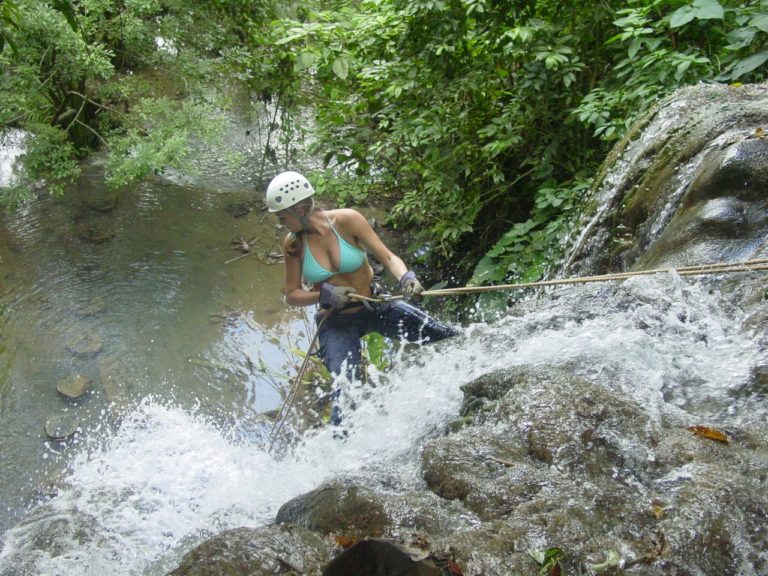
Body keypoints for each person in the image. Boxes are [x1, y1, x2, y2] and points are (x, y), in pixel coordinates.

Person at [266, 171, 458, 424]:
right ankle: (343, 452)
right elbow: (292, 294)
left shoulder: (347, 220)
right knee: (346, 396)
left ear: (300, 209)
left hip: (375, 306)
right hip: (336, 323)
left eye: (282, 218)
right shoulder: (293, 244)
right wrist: (324, 293)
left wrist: (407, 279)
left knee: (443, 335)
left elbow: (388, 257)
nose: (281, 224)